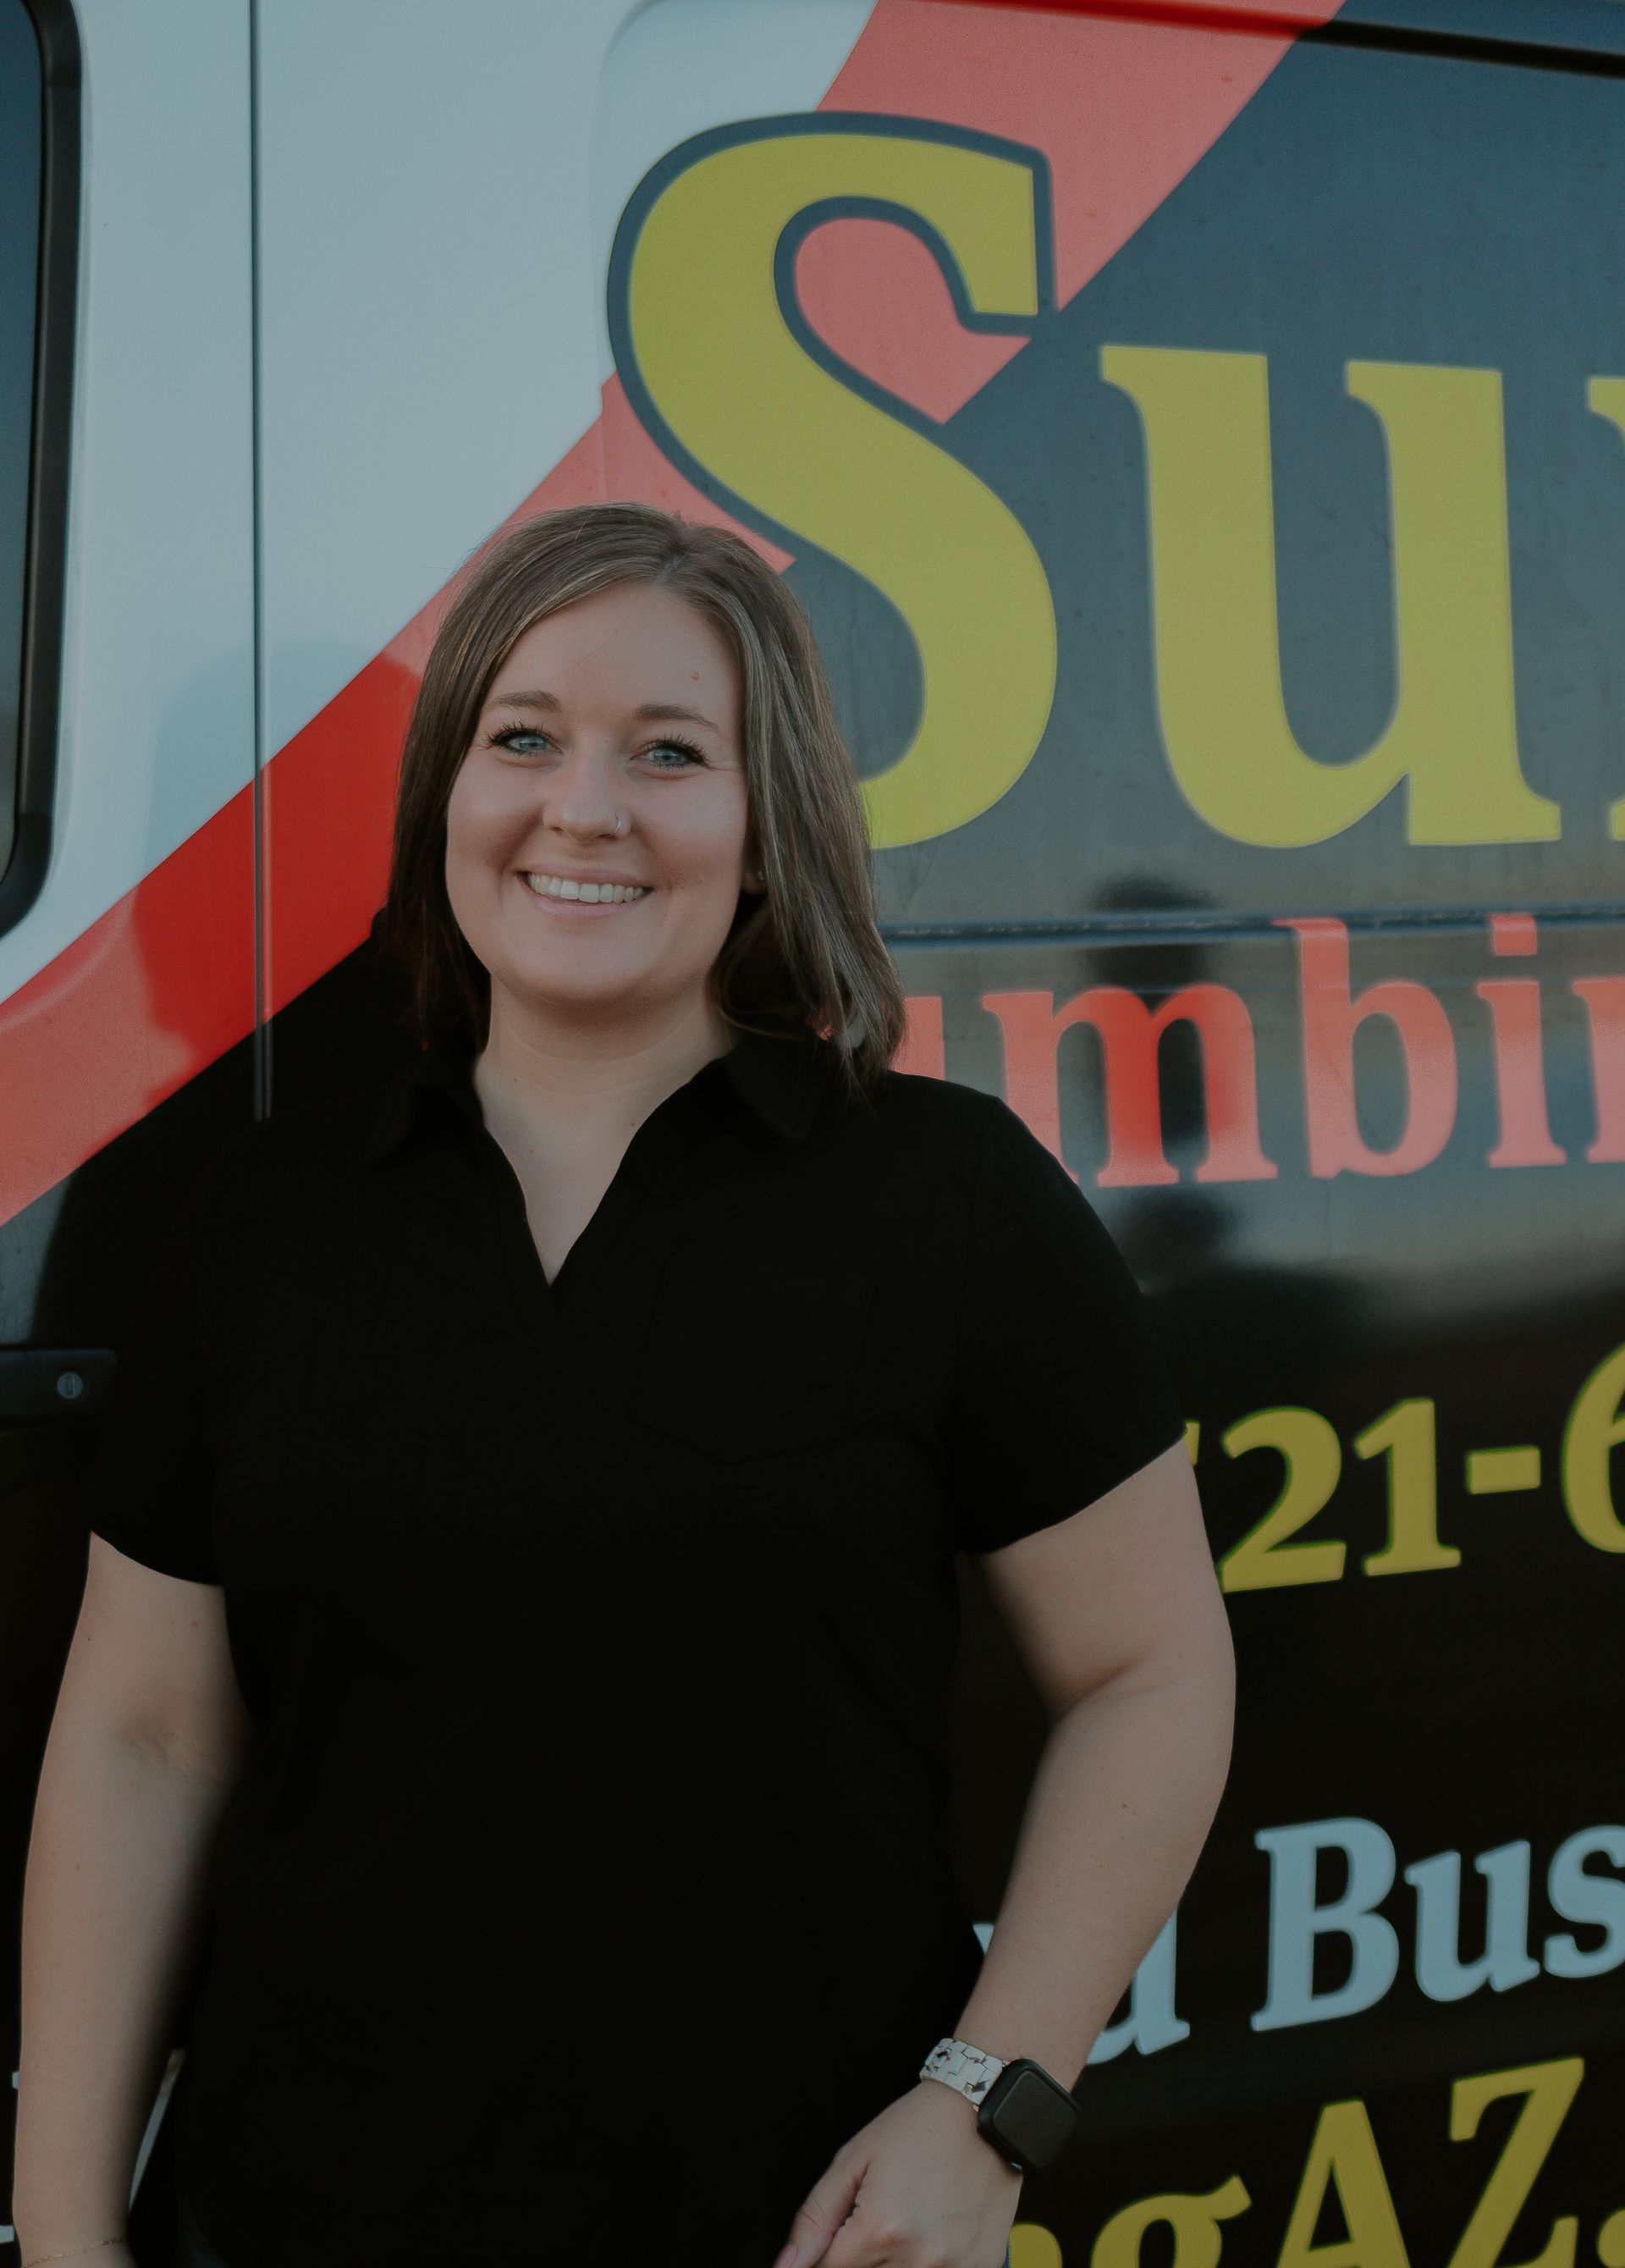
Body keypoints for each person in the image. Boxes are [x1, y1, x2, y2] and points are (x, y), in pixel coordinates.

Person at [12, 504, 1234, 2268]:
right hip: (290, 2214)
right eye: (524, 739)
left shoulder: (944, 1200)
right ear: (449, 793)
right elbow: (140, 1742)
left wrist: (988, 2105)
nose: (582, 808)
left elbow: (1151, 1670)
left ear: (764, 821)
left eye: (668, 752)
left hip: (798, 2231)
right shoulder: (265, 1223)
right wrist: (63, 2236)